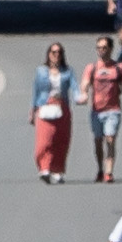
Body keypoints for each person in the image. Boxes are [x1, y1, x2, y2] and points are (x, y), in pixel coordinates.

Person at [81, 40, 122, 184]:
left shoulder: (118, 68)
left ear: (110, 49)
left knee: (110, 140)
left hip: (113, 110)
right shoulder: (92, 68)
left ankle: (109, 171)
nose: (101, 50)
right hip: (97, 111)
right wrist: (84, 93)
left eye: (104, 48)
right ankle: (100, 169)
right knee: (98, 142)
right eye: (99, 48)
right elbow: (85, 83)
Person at [29, 41, 77, 184]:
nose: (56, 55)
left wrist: (80, 96)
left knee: (61, 141)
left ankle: (57, 171)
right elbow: (36, 91)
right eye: (53, 52)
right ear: (48, 55)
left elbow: (74, 87)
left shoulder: (68, 71)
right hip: (44, 107)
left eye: (59, 53)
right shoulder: (41, 71)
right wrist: (32, 110)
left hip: (62, 107)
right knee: (43, 142)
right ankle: (44, 168)